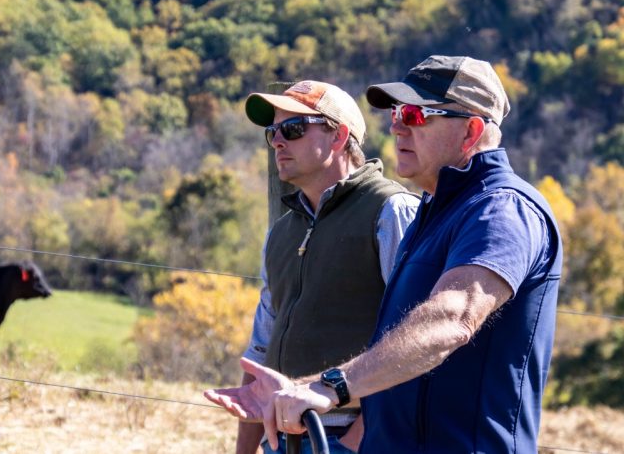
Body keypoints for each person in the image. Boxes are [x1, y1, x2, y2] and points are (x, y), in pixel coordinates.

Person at [206, 56, 563, 454]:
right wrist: (301, 389)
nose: (396, 126)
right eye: (396, 113)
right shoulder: (434, 214)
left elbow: (452, 319)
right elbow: (394, 357)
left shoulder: (502, 208)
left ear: (471, 131)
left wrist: (330, 389)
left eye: (415, 114)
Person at [236, 80, 419, 453]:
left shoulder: (392, 211)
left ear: (339, 137)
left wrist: (354, 443)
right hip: (280, 438)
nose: (278, 142)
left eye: (294, 129)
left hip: (350, 437)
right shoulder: (281, 232)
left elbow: (416, 340)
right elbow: (260, 349)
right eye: (273, 133)